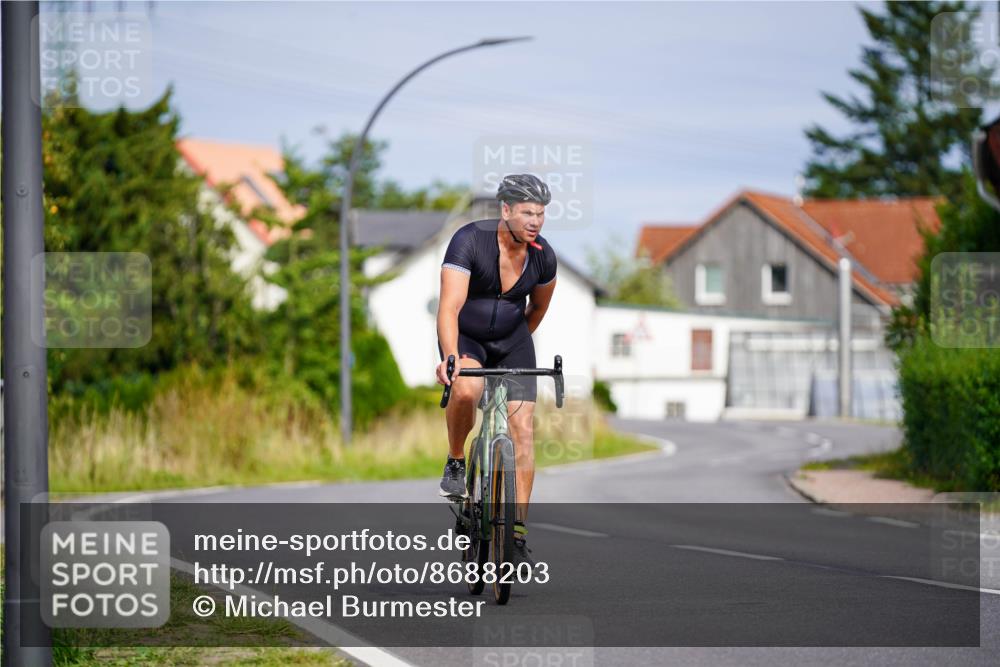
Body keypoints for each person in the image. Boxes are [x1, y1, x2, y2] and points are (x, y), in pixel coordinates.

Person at [435, 174, 557, 565]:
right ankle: (456, 460)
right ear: (505, 210)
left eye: (540, 213)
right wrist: (451, 357)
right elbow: (450, 307)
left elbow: (536, 310)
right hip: (466, 338)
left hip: (512, 342)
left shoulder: (543, 257)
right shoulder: (469, 240)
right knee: (468, 390)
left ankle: (516, 535)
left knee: (522, 431)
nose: (535, 221)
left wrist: (513, 349)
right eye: (527, 212)